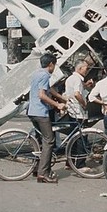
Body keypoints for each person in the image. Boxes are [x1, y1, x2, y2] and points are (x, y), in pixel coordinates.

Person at [27, 52, 66, 184]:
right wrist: (57, 105)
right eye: (54, 65)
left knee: (42, 140)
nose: (54, 67)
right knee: (49, 140)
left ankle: (39, 168)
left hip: (32, 111)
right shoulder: (44, 75)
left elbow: (50, 90)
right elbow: (42, 95)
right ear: (51, 64)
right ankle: (42, 174)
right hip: (40, 112)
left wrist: (64, 99)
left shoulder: (37, 73)